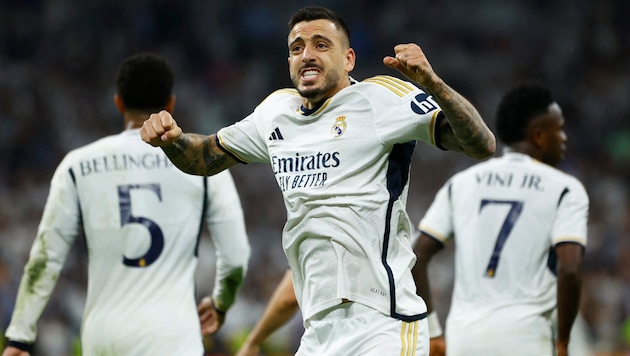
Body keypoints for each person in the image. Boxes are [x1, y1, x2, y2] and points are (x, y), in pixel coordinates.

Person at [141, 6, 495, 354]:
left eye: (321, 45)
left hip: (383, 324)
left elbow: (481, 144)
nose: (307, 55)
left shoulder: (380, 98)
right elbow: (204, 156)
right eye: (297, 48)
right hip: (318, 331)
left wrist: (434, 85)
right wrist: (173, 141)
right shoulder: (275, 113)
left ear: (349, 59)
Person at [2, 52, 250, 355]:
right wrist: (222, 302)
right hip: (173, 337)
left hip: (104, 337)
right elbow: (236, 255)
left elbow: (46, 256)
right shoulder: (202, 165)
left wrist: (19, 336)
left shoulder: (77, 164)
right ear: (170, 103)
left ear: (118, 102)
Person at [413, 83, 589, 356]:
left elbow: (417, 255)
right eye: (560, 129)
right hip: (526, 338)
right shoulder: (565, 188)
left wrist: (433, 331)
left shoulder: (461, 183)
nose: (564, 138)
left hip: (464, 339)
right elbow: (569, 269)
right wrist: (563, 340)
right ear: (539, 135)